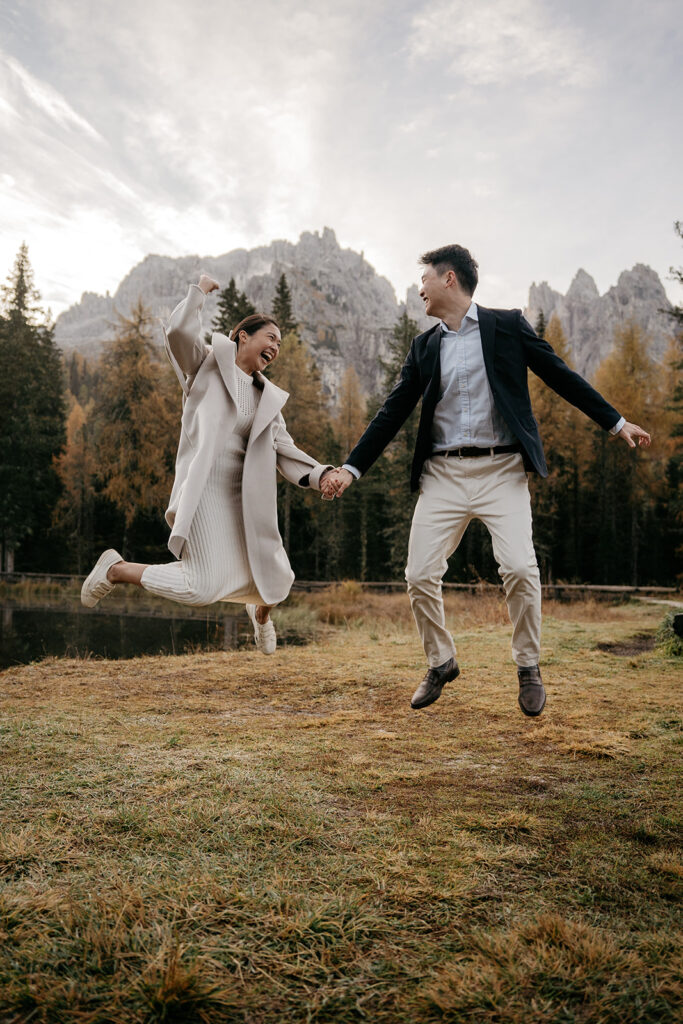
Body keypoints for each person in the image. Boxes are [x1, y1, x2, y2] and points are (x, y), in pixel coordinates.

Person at [325, 245, 651, 715]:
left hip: (502, 471)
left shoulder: (508, 326)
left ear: (449, 279)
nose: (419, 289)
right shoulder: (423, 347)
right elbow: (391, 412)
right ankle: (441, 662)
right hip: (443, 475)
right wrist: (351, 468)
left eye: (424, 279)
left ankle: (528, 667)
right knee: (419, 574)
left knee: (520, 568)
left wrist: (616, 423)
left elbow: (560, 375)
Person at [81, 275, 336, 653]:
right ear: (243, 336)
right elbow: (178, 334)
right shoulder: (206, 364)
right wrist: (198, 291)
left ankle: (259, 614)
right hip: (204, 492)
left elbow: (285, 448)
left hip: (246, 498)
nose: (276, 347)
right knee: (200, 587)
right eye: (271, 338)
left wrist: (322, 474)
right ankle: (115, 569)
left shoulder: (267, 398)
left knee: (278, 578)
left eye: (280, 344)